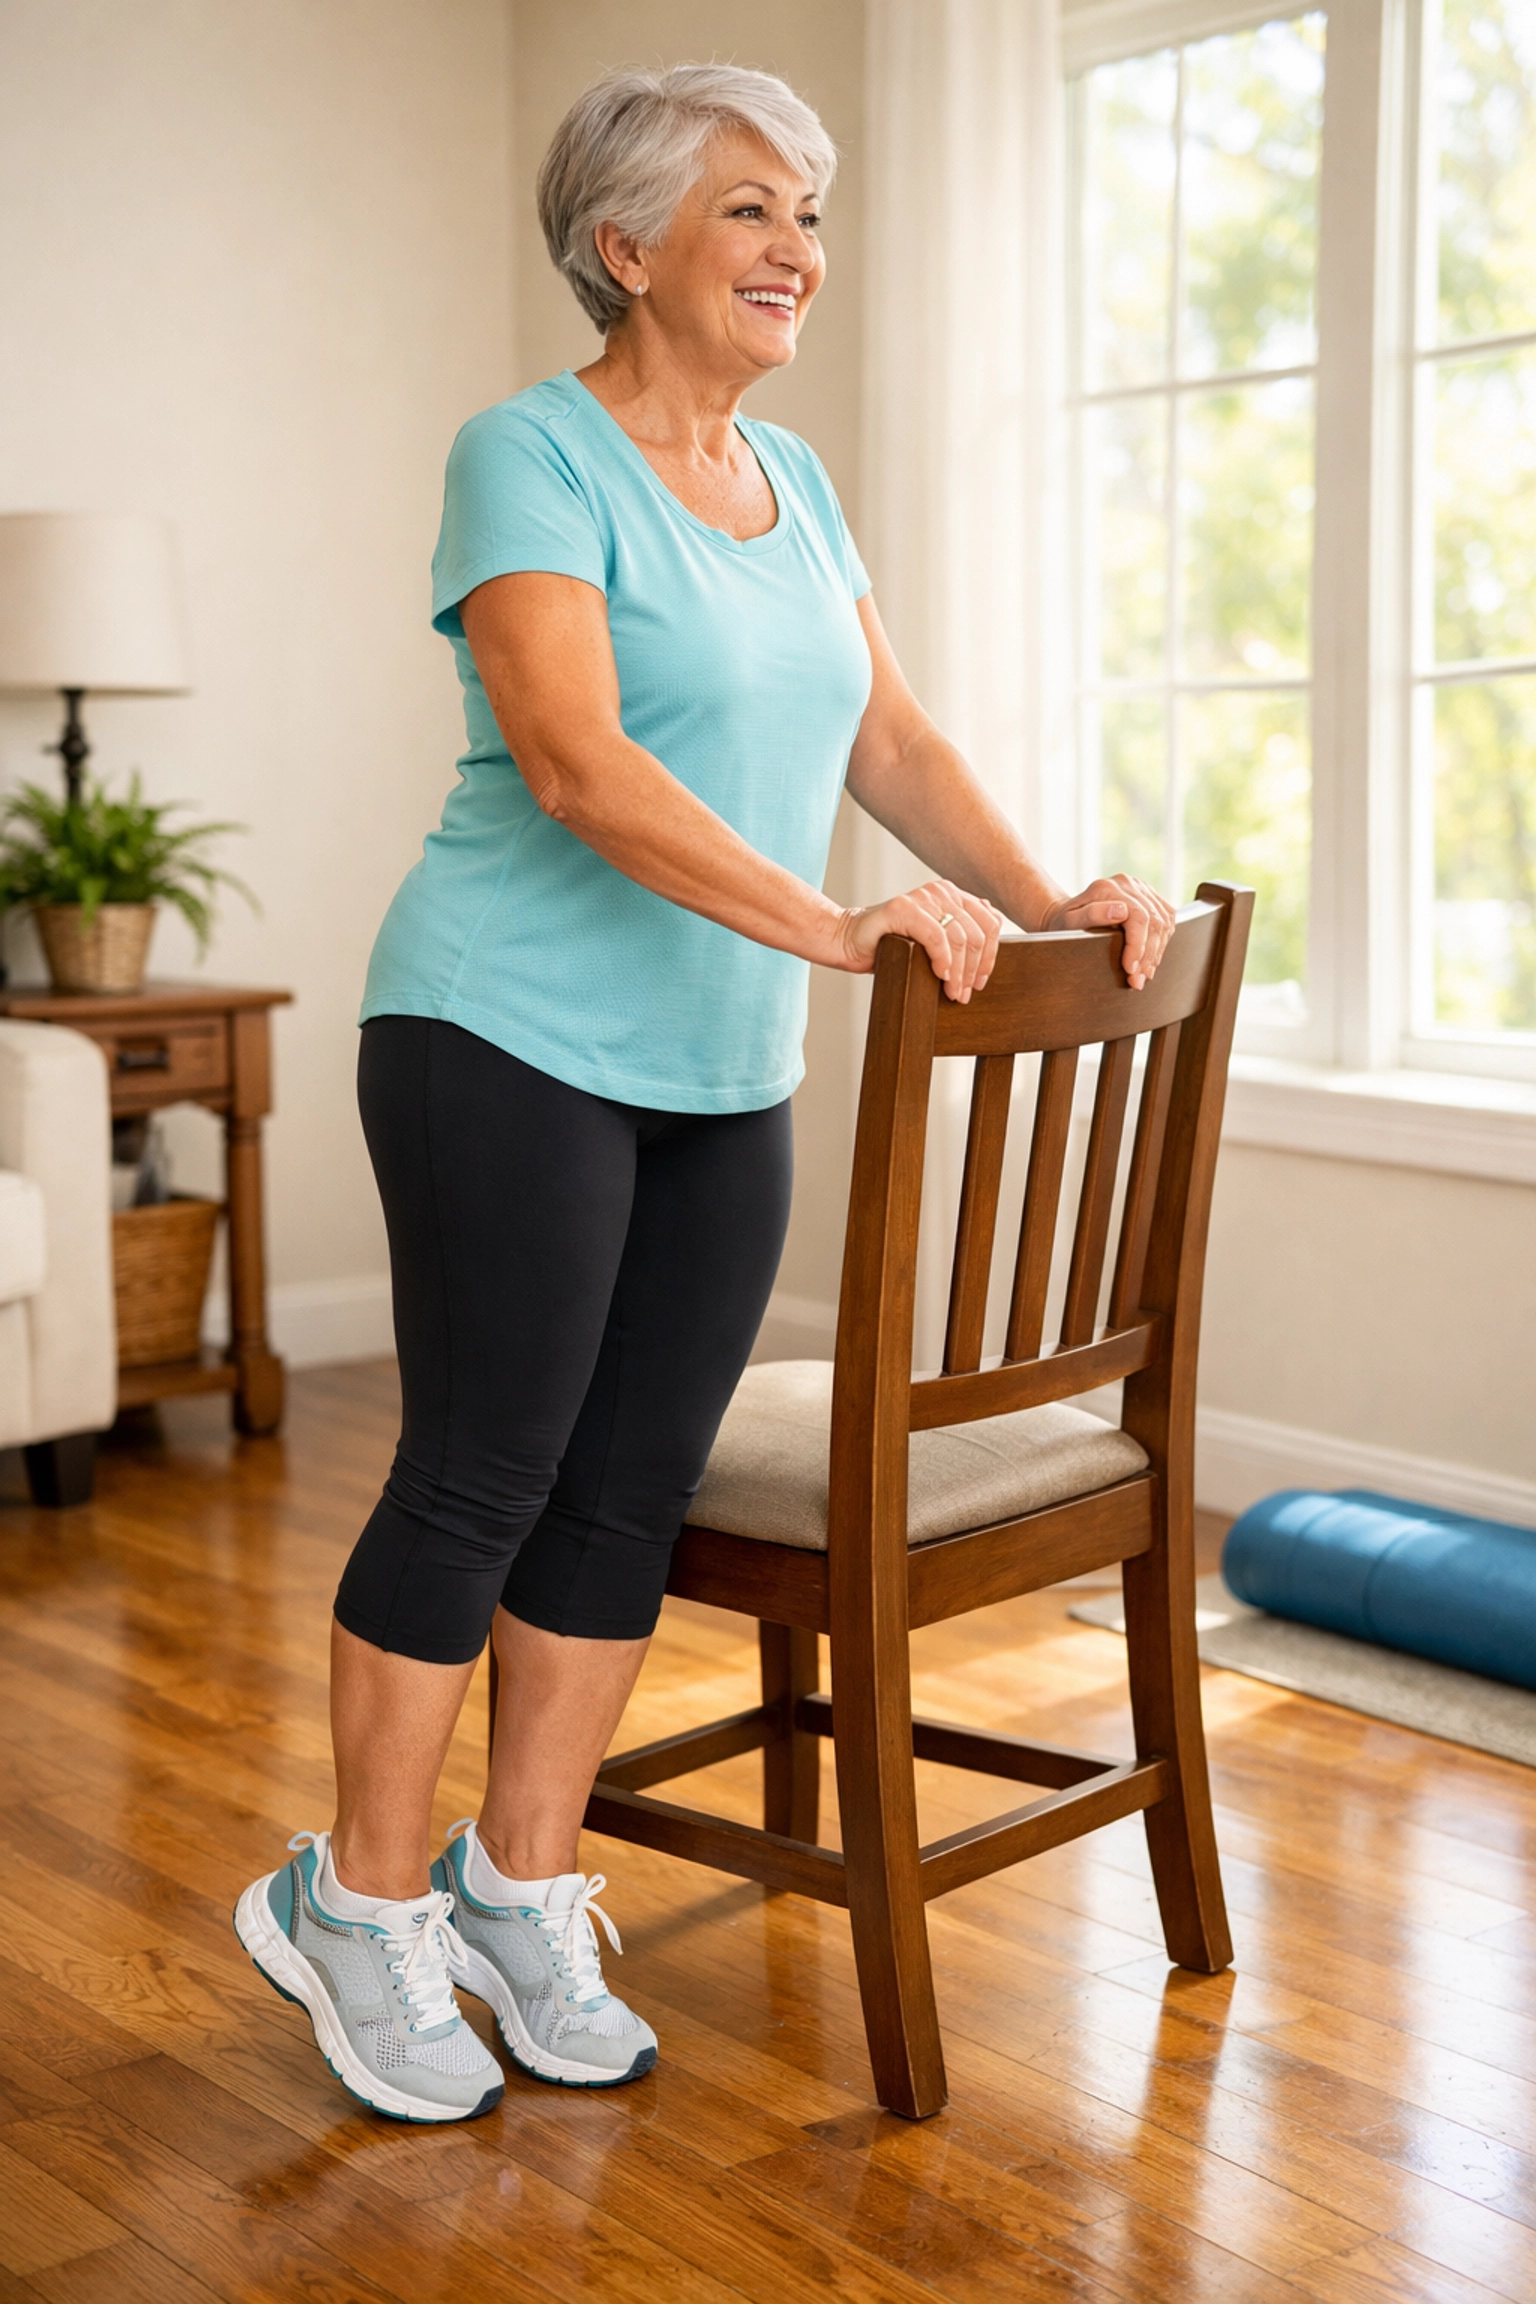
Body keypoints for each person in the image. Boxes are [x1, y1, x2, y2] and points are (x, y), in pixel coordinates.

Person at [234, 61, 1174, 2124]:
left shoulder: (796, 482)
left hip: (717, 1070)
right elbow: (574, 762)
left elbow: (892, 736)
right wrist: (840, 931)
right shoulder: (530, 457)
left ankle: (523, 1882)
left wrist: (1044, 892)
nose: (797, 255)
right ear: (627, 243)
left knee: (626, 1493)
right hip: (502, 1034)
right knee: (483, 1475)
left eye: (811, 216)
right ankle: (358, 1905)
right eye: (752, 212)